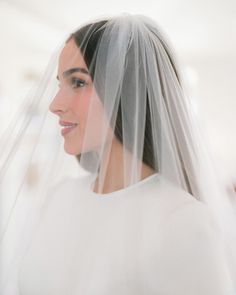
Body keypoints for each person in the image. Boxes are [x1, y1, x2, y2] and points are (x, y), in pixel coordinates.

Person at [0, 14, 235, 295]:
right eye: (59, 84)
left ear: (127, 89)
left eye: (78, 82)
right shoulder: (59, 196)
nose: (55, 104)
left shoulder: (182, 221)